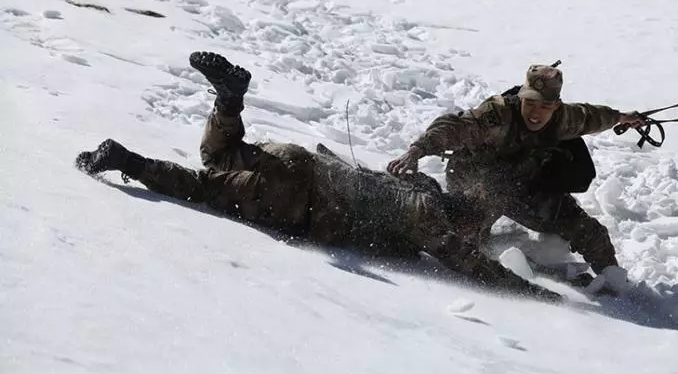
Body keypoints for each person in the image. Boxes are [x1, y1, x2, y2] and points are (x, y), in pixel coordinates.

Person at [75, 52, 562, 303]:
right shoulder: (428, 214)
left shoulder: (416, 189)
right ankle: (125, 159)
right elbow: (468, 265)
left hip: (300, 161)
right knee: (205, 186)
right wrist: (530, 292)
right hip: (300, 199)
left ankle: (228, 102)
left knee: (215, 157)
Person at [387, 63, 646, 294]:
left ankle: (616, 289)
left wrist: (625, 118)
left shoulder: (564, 118)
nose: (535, 112)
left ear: (555, 106)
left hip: (523, 186)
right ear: (521, 97)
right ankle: (479, 254)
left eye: (544, 106)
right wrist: (417, 149)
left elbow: (593, 116)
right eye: (530, 103)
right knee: (467, 231)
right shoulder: (497, 113)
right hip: (474, 181)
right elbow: (454, 126)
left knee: (588, 231)